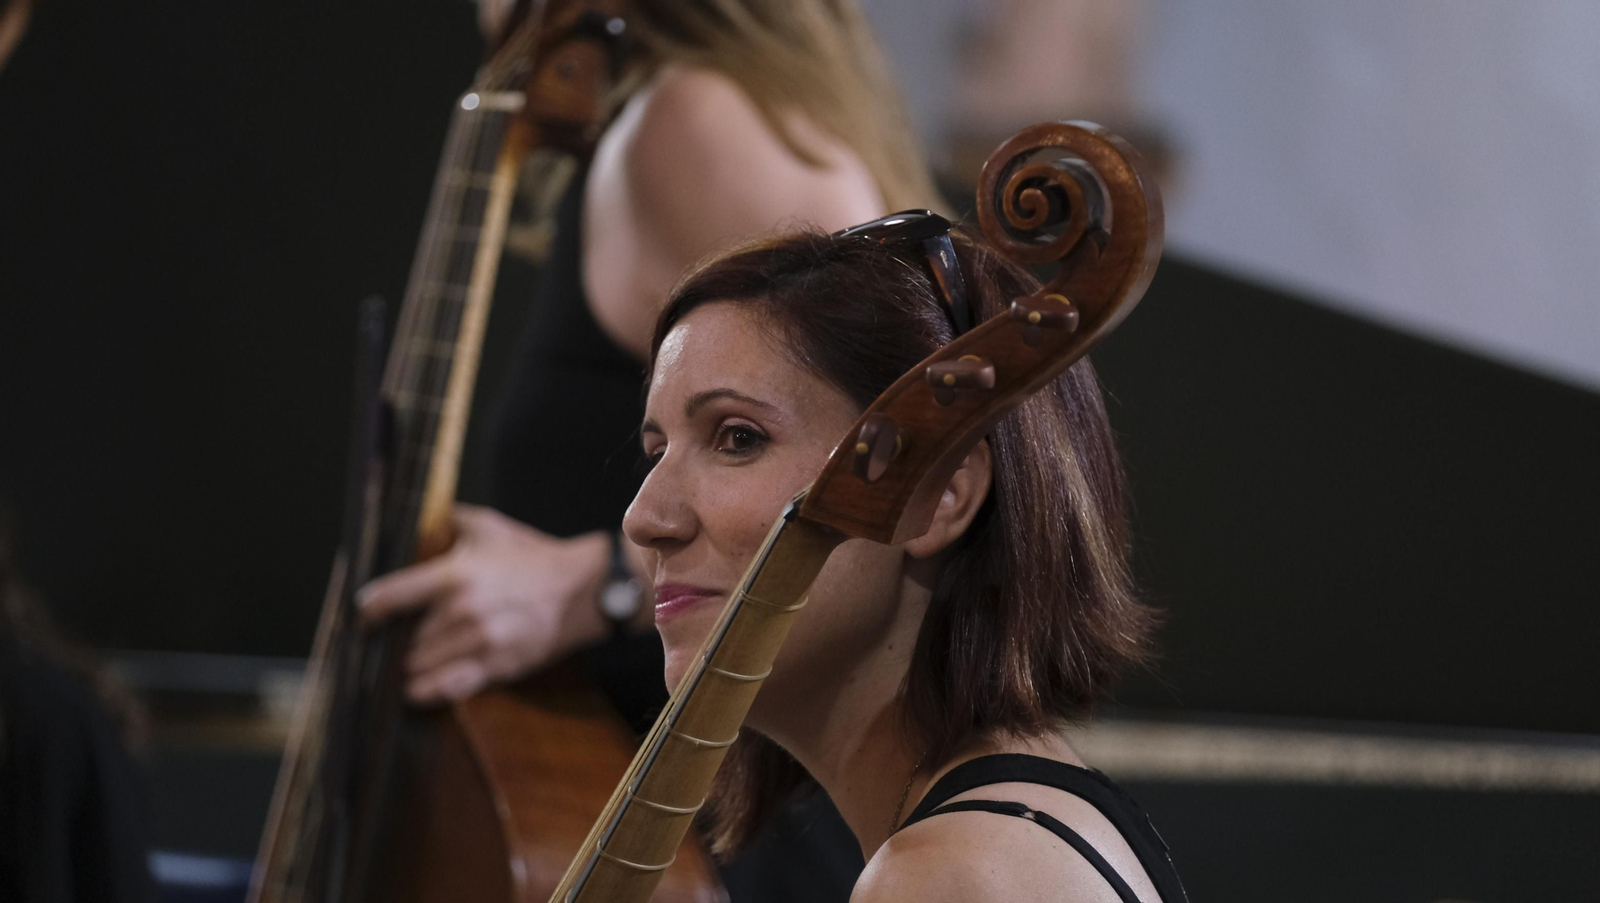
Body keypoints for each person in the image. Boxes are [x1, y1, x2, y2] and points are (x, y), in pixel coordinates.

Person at [355, 0, 940, 898]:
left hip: (733, 825)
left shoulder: (695, 120)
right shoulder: (681, 114)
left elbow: (885, 486)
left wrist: (593, 585)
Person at [624, 224, 1189, 901]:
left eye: (738, 437)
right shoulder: (1013, 832)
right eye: (658, 451)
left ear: (939, 496)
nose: (645, 517)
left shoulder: (945, 876)